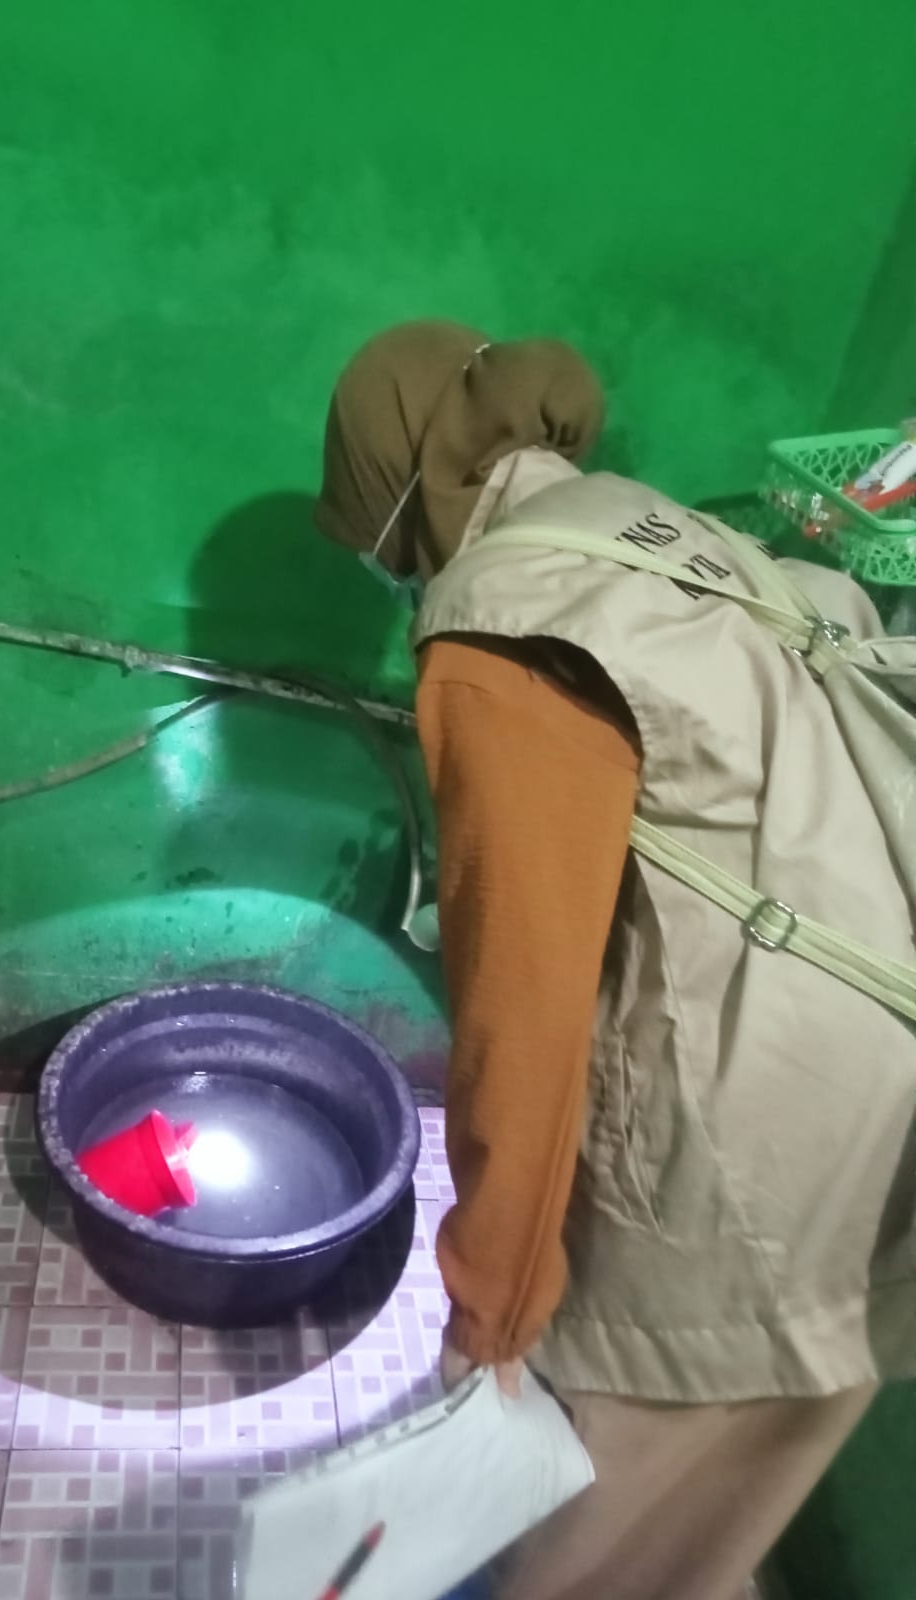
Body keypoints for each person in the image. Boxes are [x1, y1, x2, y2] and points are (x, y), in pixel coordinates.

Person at [314, 320, 916, 1600]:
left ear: (390, 475)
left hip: (758, 1157)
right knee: (707, 1531)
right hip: (881, 1096)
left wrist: (491, 1310)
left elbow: (524, 1014)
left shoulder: (502, 623)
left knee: (598, 1557)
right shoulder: (651, 527)